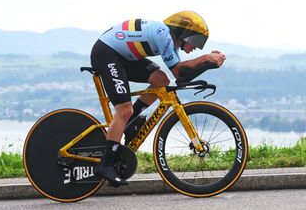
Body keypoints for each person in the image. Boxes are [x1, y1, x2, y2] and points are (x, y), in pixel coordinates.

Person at [90, 10, 226, 187]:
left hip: (122, 57)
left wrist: (208, 63)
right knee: (124, 109)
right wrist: (206, 58)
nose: (196, 47)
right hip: (106, 54)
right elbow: (180, 71)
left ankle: (129, 123)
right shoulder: (164, 35)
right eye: (196, 41)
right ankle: (106, 165)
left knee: (161, 80)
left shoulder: (172, 44)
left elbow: (182, 77)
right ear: (184, 33)